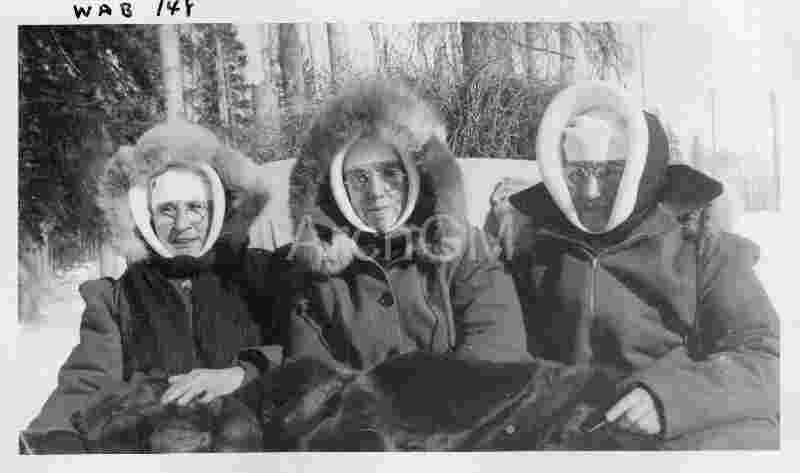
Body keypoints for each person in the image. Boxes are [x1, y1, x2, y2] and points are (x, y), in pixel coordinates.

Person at [506, 81, 779, 449]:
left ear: (642, 172)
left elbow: (762, 359)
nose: (589, 193)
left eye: (609, 173)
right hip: (568, 439)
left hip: (674, 438)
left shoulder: (704, 248)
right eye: (577, 174)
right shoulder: (535, 247)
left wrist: (669, 399)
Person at [22, 120, 284, 453]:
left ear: (218, 209)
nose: (182, 224)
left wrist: (243, 373)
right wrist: (52, 439)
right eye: (167, 210)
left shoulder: (263, 276)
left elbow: (303, 350)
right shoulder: (117, 300)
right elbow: (85, 382)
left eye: (195, 207)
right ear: (145, 217)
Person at [283, 79, 530, 372]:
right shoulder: (314, 272)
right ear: (338, 187)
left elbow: (497, 354)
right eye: (359, 178)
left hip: (463, 398)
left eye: (390, 172)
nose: (376, 192)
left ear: (416, 175)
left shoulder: (469, 251)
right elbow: (312, 376)